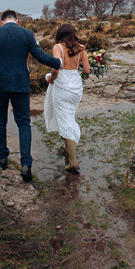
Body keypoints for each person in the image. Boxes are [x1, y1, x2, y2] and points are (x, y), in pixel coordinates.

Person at [0, 9, 61, 182]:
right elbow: (40, 56)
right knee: (24, 123)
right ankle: (26, 164)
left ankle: (3, 157)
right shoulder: (27, 34)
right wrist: (59, 63)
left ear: (2, 22)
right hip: (20, 84)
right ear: (17, 21)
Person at [44, 23, 91, 174]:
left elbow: (56, 67)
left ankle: (73, 161)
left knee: (65, 119)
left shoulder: (58, 47)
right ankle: (67, 147)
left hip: (62, 85)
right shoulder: (82, 48)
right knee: (68, 116)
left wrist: (51, 79)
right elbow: (88, 70)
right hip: (76, 86)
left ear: (60, 33)